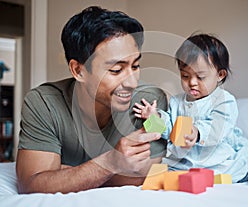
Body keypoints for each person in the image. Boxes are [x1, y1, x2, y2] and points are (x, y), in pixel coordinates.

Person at [16, 6, 168, 194]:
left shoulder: (150, 101)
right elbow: (32, 185)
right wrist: (111, 163)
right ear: (78, 70)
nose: (131, 82)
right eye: (116, 70)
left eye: (135, 66)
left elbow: (148, 175)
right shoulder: (43, 103)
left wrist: (65, 174)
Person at [133, 33, 248, 184]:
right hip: (186, 164)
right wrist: (154, 118)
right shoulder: (176, 102)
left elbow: (218, 126)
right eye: (185, 76)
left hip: (222, 162)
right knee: (162, 169)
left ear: (220, 75)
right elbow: (169, 131)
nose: (192, 82)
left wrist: (197, 132)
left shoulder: (223, 100)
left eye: (200, 77)